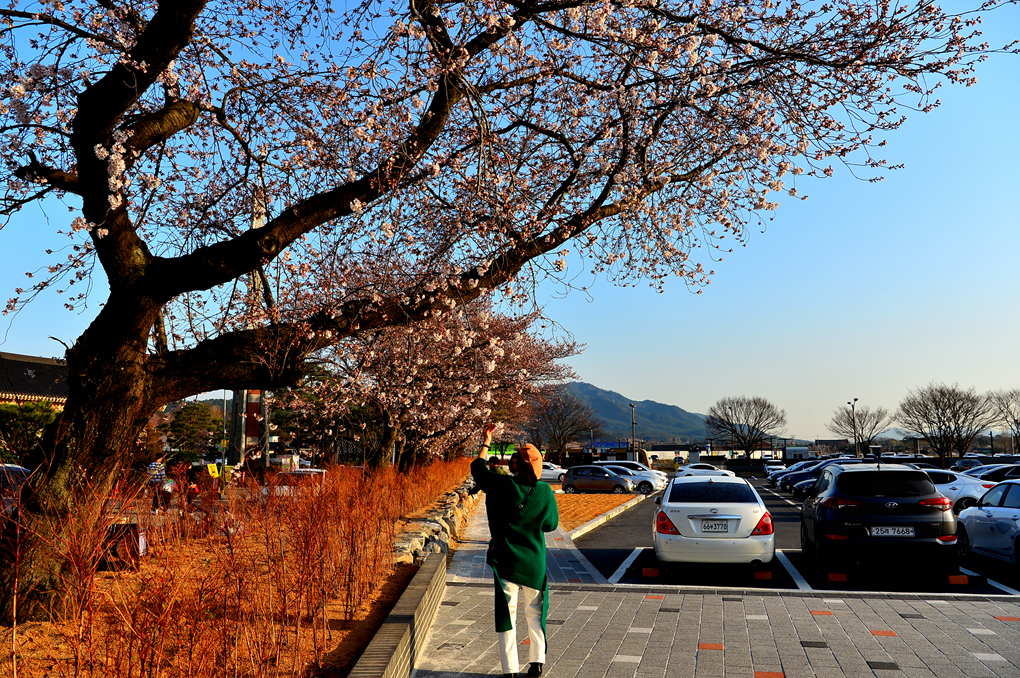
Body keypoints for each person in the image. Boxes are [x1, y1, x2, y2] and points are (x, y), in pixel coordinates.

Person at [472, 425, 558, 678]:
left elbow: (477, 468)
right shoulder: (545, 492)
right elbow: (551, 525)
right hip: (533, 561)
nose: (510, 462)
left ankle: (509, 669)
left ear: (517, 465)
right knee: (535, 613)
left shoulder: (501, 485)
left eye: (513, 459)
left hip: (506, 560)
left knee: (506, 614)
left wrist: (486, 441)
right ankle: (537, 663)